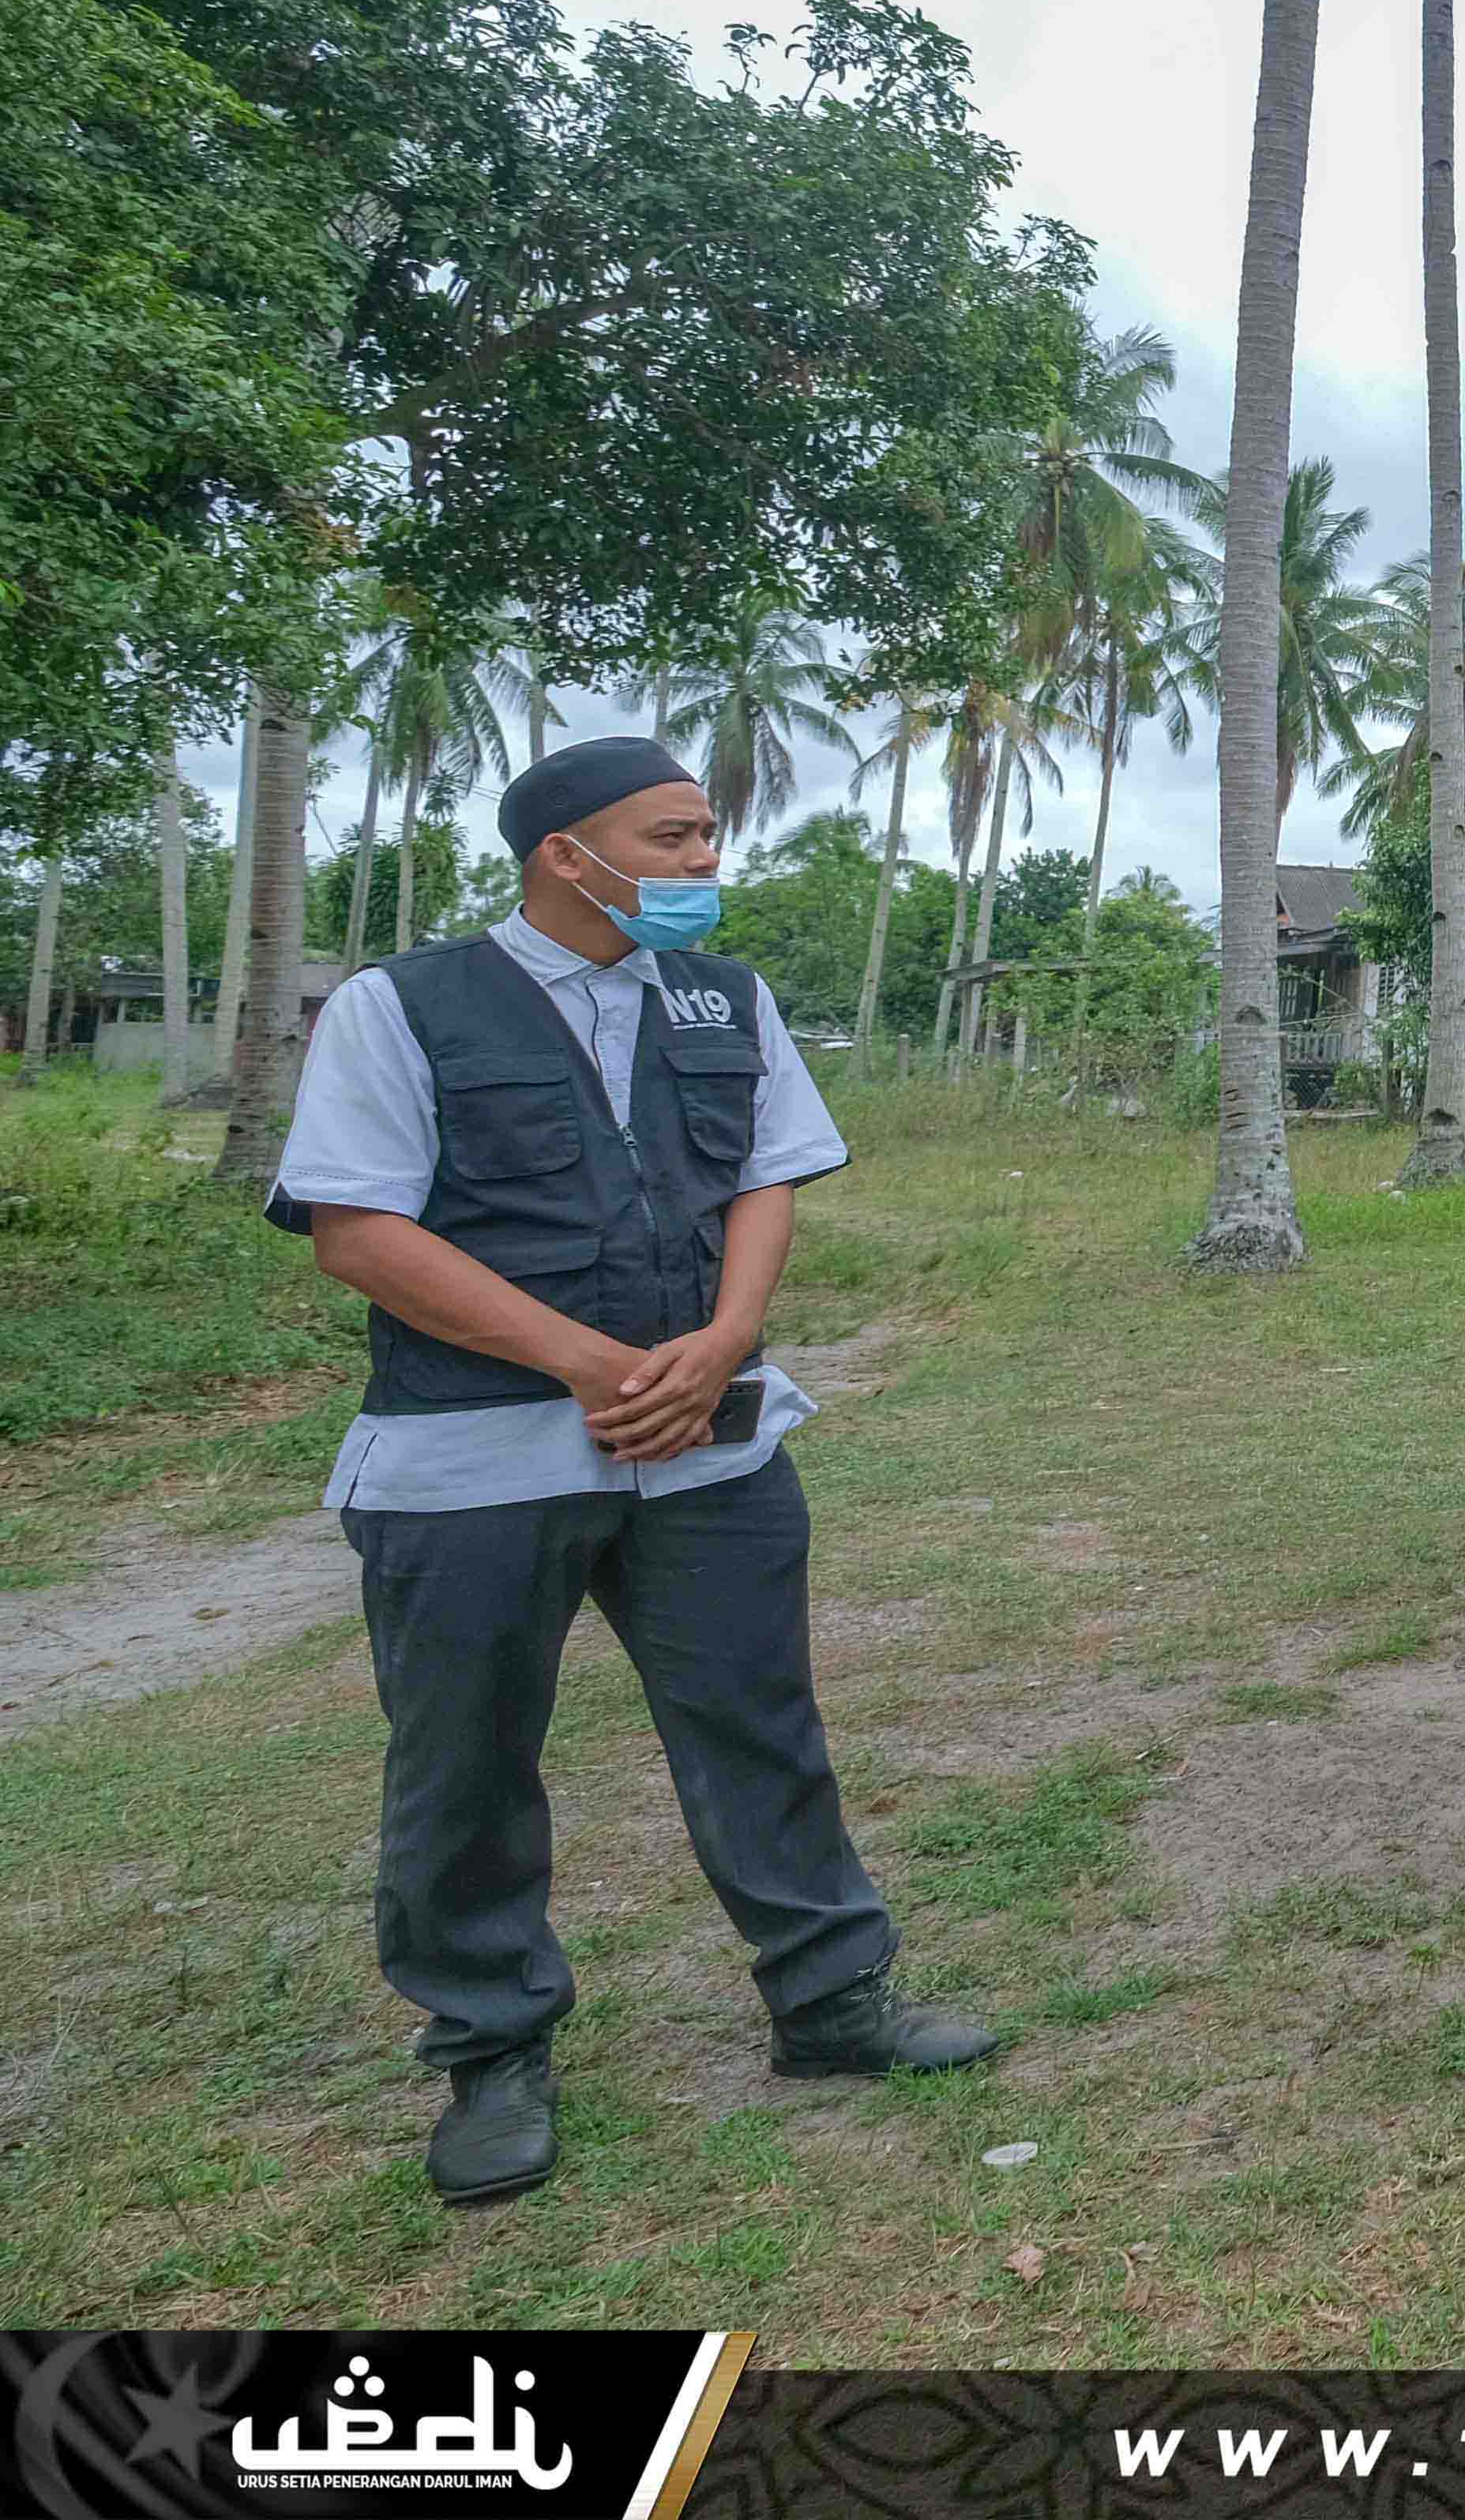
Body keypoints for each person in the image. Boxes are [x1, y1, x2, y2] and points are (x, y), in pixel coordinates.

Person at [267, 736, 997, 2209]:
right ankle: (490, 2051)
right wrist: (593, 1368)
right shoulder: (399, 1009)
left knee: (759, 1725)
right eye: (674, 838)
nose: (704, 862)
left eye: (708, 835)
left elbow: (765, 1179)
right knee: (463, 1761)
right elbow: (358, 1230)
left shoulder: (729, 998)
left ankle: (832, 1999)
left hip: (707, 1449)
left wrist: (724, 1342)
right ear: (567, 857)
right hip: (469, 1457)